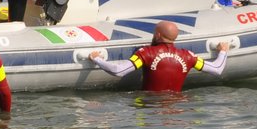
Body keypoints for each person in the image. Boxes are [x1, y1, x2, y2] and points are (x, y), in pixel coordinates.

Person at [86, 21, 229, 92]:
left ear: (158, 35)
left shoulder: (146, 53)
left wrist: (96, 58)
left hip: (149, 106)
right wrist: (223, 51)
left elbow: (119, 70)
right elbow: (217, 69)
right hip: (177, 108)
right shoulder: (188, 56)